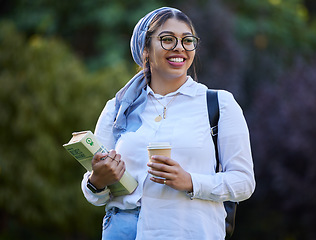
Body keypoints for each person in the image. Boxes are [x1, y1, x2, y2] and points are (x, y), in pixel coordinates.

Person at [81, 6, 255, 240]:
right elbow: (94, 194)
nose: (179, 48)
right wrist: (97, 181)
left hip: (189, 232)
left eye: (187, 40)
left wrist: (191, 182)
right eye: (167, 39)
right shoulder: (117, 107)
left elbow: (244, 183)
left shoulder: (218, 104)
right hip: (123, 232)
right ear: (145, 49)